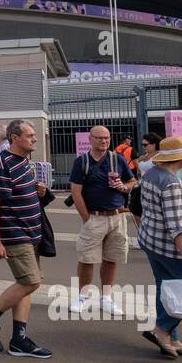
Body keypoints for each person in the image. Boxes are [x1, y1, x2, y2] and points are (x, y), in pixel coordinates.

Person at [0, 119, 52, 358]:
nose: (34, 138)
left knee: (26, 283)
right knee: (30, 282)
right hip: (16, 233)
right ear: (15, 138)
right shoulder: (2, 161)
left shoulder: (24, 161)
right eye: (29, 135)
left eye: (33, 135)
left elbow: (19, 192)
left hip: (33, 232)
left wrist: (39, 191)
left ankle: (19, 339)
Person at [137, 136, 182, 358]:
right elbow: (176, 225)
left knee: (166, 289)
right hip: (170, 248)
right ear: (181, 158)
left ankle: (171, 338)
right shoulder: (171, 183)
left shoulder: (150, 174)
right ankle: (161, 330)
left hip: (151, 241)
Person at [68, 125, 136, 314]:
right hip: (94, 217)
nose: (104, 141)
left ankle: (106, 297)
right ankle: (82, 295)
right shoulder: (82, 162)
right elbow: (76, 191)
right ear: (90, 139)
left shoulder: (117, 159)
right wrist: (86, 218)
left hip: (117, 216)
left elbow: (132, 181)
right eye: (99, 138)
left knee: (111, 258)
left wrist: (123, 187)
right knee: (87, 258)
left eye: (106, 138)